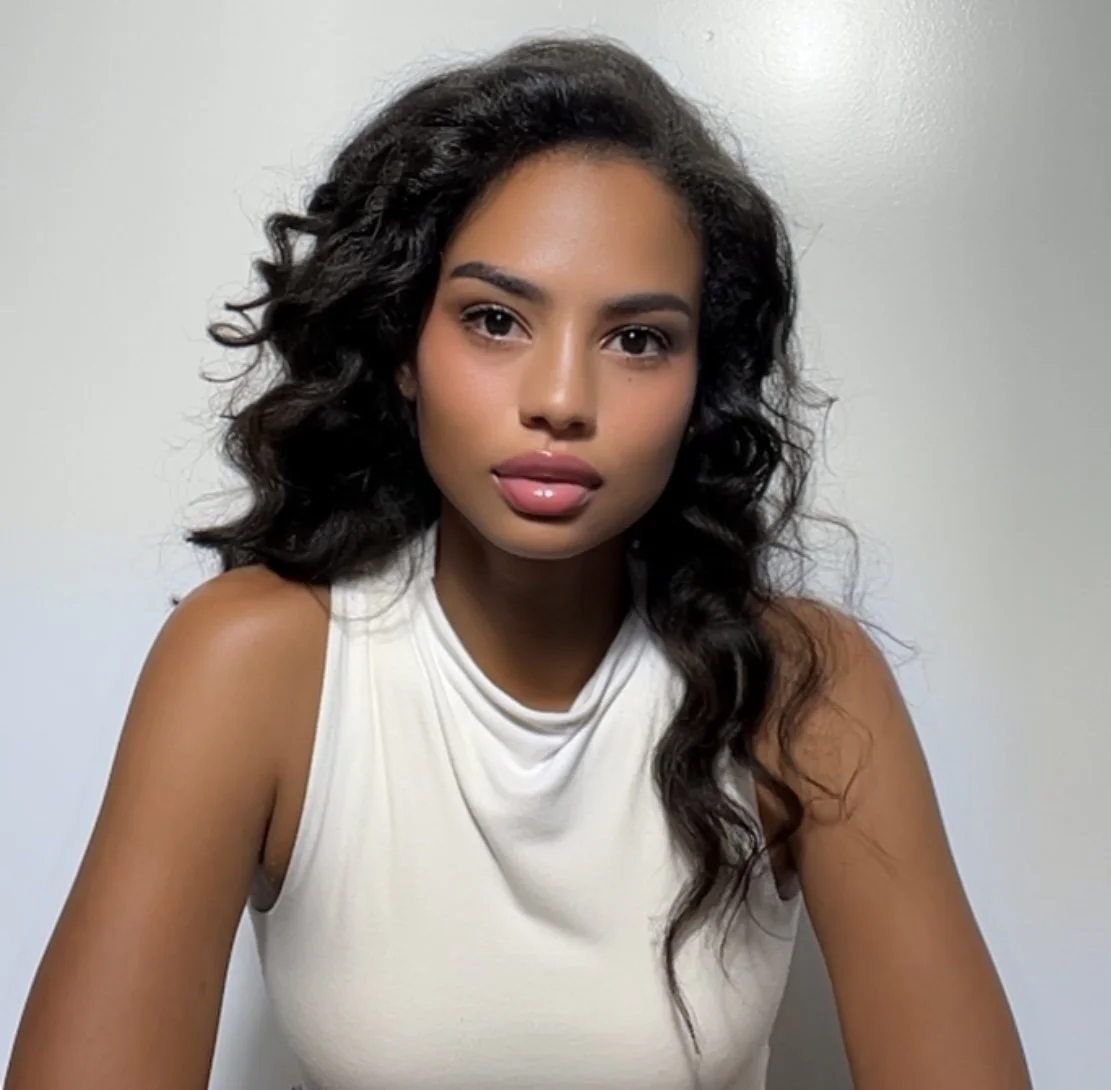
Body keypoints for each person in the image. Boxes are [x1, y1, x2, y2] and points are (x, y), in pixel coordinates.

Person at [4, 34, 1030, 1090]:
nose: (560, 399)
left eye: (636, 339)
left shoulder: (804, 688)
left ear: (700, 383)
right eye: (495, 320)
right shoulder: (252, 666)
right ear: (404, 346)